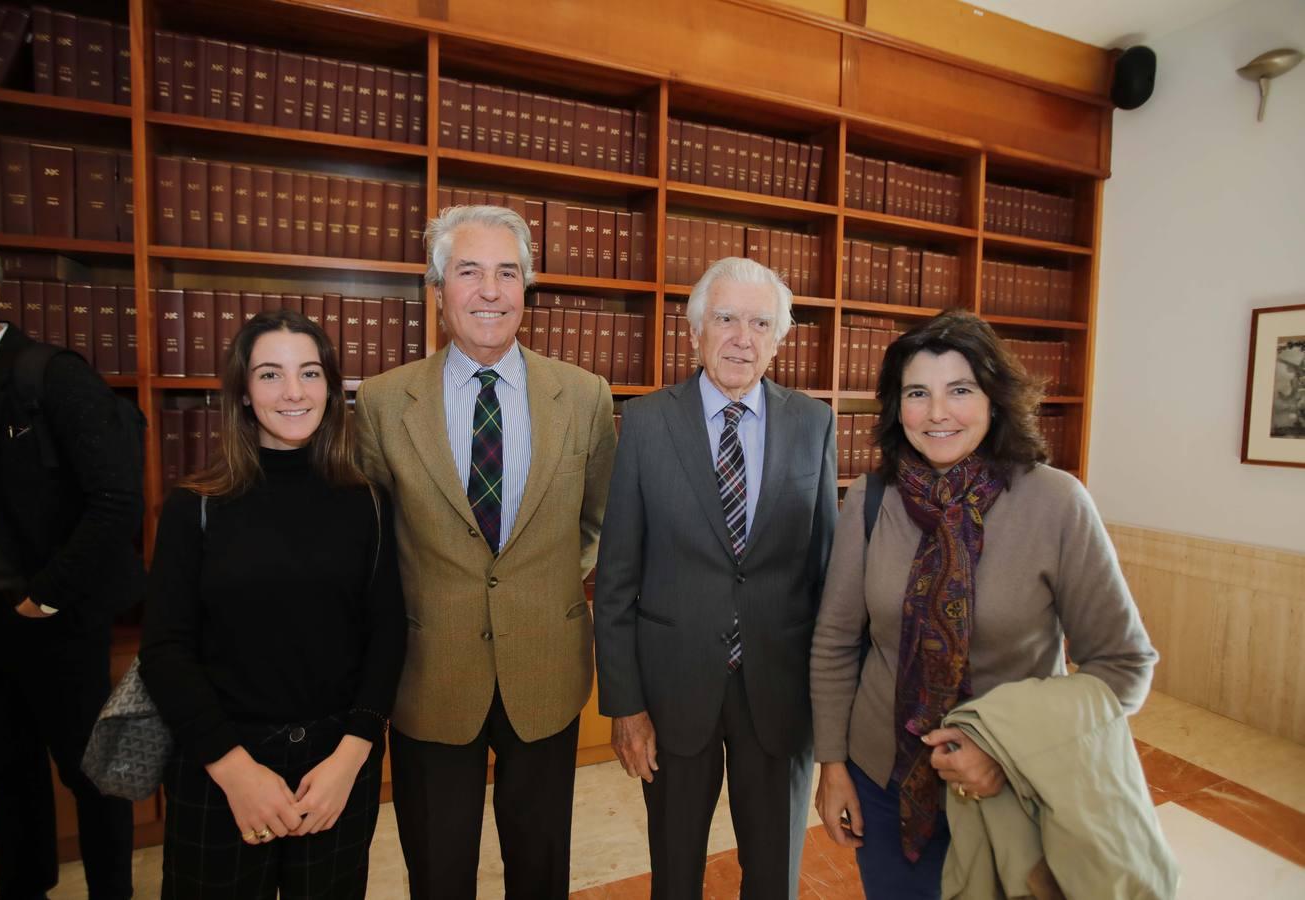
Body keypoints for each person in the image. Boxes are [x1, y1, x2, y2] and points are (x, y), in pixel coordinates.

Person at [809, 309, 1158, 899]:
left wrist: (1000, 748)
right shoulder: (871, 500)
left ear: (995, 399)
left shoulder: (1056, 502)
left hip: (1015, 790)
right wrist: (834, 766)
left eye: (960, 390)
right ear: (897, 407)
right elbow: (835, 643)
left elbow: (1124, 667)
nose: (938, 413)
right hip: (883, 786)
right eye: (918, 393)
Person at [354, 204, 617, 899]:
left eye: (508, 273)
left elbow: (599, 519)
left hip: (546, 669)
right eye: (469, 272)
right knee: (439, 873)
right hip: (429, 672)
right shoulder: (382, 404)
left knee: (540, 870)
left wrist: (552, 584)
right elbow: (372, 545)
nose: (491, 291)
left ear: (528, 288)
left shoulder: (585, 397)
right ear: (438, 290)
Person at [594, 256, 838, 899]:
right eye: (725, 318)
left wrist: (832, 713)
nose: (742, 337)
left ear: (780, 338)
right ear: (695, 330)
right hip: (673, 692)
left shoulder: (814, 423)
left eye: (761, 323)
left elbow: (826, 577)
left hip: (781, 696)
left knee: (773, 874)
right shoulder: (646, 423)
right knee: (674, 873)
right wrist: (625, 705)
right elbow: (617, 575)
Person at [140, 310, 404, 899]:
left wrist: (350, 760)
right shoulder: (195, 506)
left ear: (333, 391)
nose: (293, 392)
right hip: (221, 762)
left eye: (310, 373)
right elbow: (164, 649)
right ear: (240, 393)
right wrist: (235, 772)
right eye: (270, 375)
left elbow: (386, 635)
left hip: (334, 767)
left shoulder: (367, 503)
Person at [0, 226, 141, 900]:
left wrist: (48, 594)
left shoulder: (51, 376)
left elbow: (117, 498)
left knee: (94, 778)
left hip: (53, 619)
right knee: (4, 773)